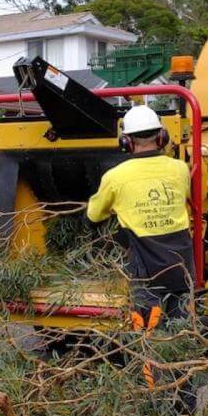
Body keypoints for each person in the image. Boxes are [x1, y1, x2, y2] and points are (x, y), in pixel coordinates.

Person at [86, 104, 194, 332]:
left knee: (148, 327)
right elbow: (185, 197)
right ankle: (180, 363)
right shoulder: (180, 169)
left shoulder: (115, 177)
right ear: (162, 136)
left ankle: (152, 366)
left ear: (126, 142)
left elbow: (93, 216)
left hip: (146, 272)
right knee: (180, 325)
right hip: (181, 265)